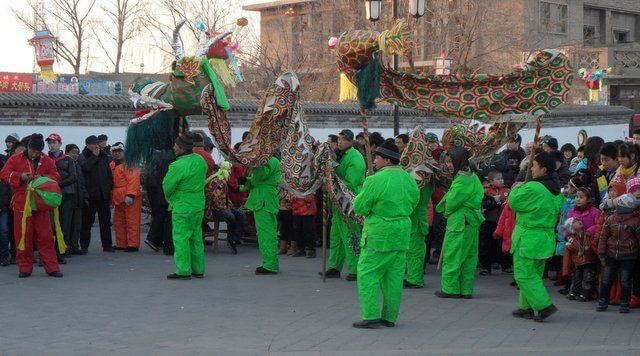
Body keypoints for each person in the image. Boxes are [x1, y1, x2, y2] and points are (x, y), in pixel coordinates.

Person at [352, 140, 419, 329]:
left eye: (377, 158)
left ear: (387, 160)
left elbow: (360, 206)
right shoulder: (409, 179)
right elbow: (414, 201)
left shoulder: (375, 180)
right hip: (402, 231)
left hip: (379, 233)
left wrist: (368, 184)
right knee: (393, 278)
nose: (375, 161)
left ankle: (371, 315)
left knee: (367, 274)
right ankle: (389, 317)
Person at [509, 152, 563, 322]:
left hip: (528, 236)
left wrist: (518, 187)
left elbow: (513, 202)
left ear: (543, 169)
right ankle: (527, 307)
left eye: (534, 165)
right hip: (544, 236)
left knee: (523, 275)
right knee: (534, 274)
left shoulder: (533, 188)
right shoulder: (555, 189)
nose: (531, 169)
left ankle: (543, 305)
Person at [0, 134, 62, 278]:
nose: (34, 154)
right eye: (32, 150)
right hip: (21, 204)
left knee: (46, 237)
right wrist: (20, 176)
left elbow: (56, 176)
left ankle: (52, 267)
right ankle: (25, 268)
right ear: (28, 147)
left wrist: (44, 179)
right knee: (23, 237)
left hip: (41, 205)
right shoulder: (15, 159)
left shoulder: (46, 160)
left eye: (37, 152)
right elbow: (4, 174)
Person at [434, 147, 484, 299]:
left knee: (453, 255)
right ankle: (466, 289)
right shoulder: (473, 176)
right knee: (469, 257)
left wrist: (446, 209)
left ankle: (450, 289)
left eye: (450, 161)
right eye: (447, 162)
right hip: (472, 222)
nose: (448, 165)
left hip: (459, 222)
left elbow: (451, 203)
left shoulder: (461, 179)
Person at [163, 133, 208, 279]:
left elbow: (167, 187)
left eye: (176, 145)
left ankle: (182, 270)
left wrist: (171, 199)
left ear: (181, 148)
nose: (173, 147)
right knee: (196, 237)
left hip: (182, 206)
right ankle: (198, 269)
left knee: (181, 238)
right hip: (198, 204)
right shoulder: (200, 160)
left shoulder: (177, 165)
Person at [323, 129, 366, 280]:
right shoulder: (341, 155)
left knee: (351, 236)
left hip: (349, 202)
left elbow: (350, 182)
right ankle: (334, 267)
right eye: (339, 139)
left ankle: (355, 270)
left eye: (342, 139)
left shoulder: (355, 157)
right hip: (337, 202)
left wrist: (332, 184)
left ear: (350, 141)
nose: (339, 142)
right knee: (336, 237)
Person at [597, 194, 640, 313]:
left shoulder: (636, 221)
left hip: (629, 255)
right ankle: (602, 301)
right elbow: (603, 237)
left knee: (625, 280)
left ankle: (624, 303)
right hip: (611, 254)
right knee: (606, 279)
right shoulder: (610, 219)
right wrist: (601, 253)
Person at [240, 156, 282, 275]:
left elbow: (260, 175)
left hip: (264, 200)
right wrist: (246, 181)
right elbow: (256, 180)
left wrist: (252, 165)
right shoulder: (267, 161)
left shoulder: (271, 161)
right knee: (265, 233)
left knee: (267, 233)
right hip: (263, 199)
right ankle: (269, 263)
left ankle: (270, 265)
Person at [78, 135, 114, 253]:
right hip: (90, 194)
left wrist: (109, 187)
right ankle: (84, 246)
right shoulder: (83, 156)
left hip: (103, 194)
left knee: (105, 221)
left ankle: (107, 245)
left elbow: (108, 173)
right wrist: (94, 156)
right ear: (88, 145)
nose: (96, 146)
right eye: (94, 144)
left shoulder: (104, 156)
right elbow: (85, 168)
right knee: (87, 222)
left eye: (97, 143)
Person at [46, 133, 77, 262]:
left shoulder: (68, 159)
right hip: (51, 197)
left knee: (64, 224)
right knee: (50, 226)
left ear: (59, 144)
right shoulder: (45, 159)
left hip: (66, 196)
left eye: (54, 142)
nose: (52, 145)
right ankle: (49, 253)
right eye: (50, 143)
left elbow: (73, 177)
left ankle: (62, 252)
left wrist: (58, 184)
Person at [403, 166, 433, 288]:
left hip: (416, 219)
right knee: (415, 250)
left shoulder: (419, 176)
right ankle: (414, 276)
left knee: (414, 251)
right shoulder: (428, 176)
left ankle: (414, 279)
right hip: (418, 218)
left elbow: (412, 198)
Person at [204, 161, 243, 254]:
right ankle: (231, 238)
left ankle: (232, 238)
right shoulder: (217, 181)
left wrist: (230, 207)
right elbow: (213, 198)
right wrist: (225, 208)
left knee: (240, 215)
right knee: (230, 216)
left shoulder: (223, 180)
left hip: (222, 207)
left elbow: (225, 197)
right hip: (213, 209)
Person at [110, 143, 142, 252]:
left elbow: (133, 179)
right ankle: (121, 244)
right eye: (115, 151)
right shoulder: (112, 165)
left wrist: (130, 195)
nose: (117, 153)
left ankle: (133, 245)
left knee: (132, 221)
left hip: (130, 197)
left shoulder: (129, 164)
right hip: (118, 198)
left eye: (119, 151)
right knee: (118, 221)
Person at [479, 171, 511, 276]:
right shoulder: (486, 190)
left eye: (501, 178)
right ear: (491, 181)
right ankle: (485, 267)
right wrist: (493, 202)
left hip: (502, 223)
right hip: (488, 221)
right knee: (486, 245)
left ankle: (505, 266)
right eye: (498, 179)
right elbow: (483, 204)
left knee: (503, 244)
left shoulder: (507, 190)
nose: (501, 180)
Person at [144, 150, 174, 255]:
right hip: (163, 192)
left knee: (160, 214)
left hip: (156, 190)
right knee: (164, 216)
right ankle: (155, 239)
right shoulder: (169, 157)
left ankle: (154, 240)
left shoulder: (157, 156)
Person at [562, 217, 598, 301]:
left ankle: (586, 294)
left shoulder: (588, 234)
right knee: (576, 278)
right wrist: (566, 270)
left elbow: (594, 246)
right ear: (571, 227)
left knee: (588, 279)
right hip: (577, 262)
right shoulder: (571, 239)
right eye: (575, 221)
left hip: (590, 261)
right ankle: (574, 292)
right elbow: (567, 256)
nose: (579, 222)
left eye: (578, 220)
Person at [64, 144, 87, 255]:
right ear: (67, 152)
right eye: (73, 152)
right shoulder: (64, 164)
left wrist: (84, 196)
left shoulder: (77, 165)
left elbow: (82, 183)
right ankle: (66, 247)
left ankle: (74, 246)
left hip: (78, 199)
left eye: (77, 153)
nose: (75, 155)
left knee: (76, 225)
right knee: (66, 225)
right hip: (68, 198)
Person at [0, 154, 10, 266]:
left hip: (3, 209)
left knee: (3, 231)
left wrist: (3, 206)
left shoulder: (4, 178)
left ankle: (4, 257)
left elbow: (7, 194)